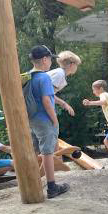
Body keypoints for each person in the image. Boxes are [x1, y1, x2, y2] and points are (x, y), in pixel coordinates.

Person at [28, 45, 69, 198]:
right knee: (47, 152)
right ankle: (52, 187)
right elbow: (47, 100)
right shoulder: (44, 77)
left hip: (31, 119)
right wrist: (54, 119)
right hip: (44, 119)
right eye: (50, 58)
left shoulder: (28, 76)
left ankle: (32, 181)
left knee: (35, 151)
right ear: (44, 59)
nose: (51, 62)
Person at [47, 50, 81, 117]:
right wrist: (64, 104)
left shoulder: (60, 73)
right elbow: (47, 93)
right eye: (77, 65)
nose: (77, 67)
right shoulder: (59, 74)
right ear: (72, 65)